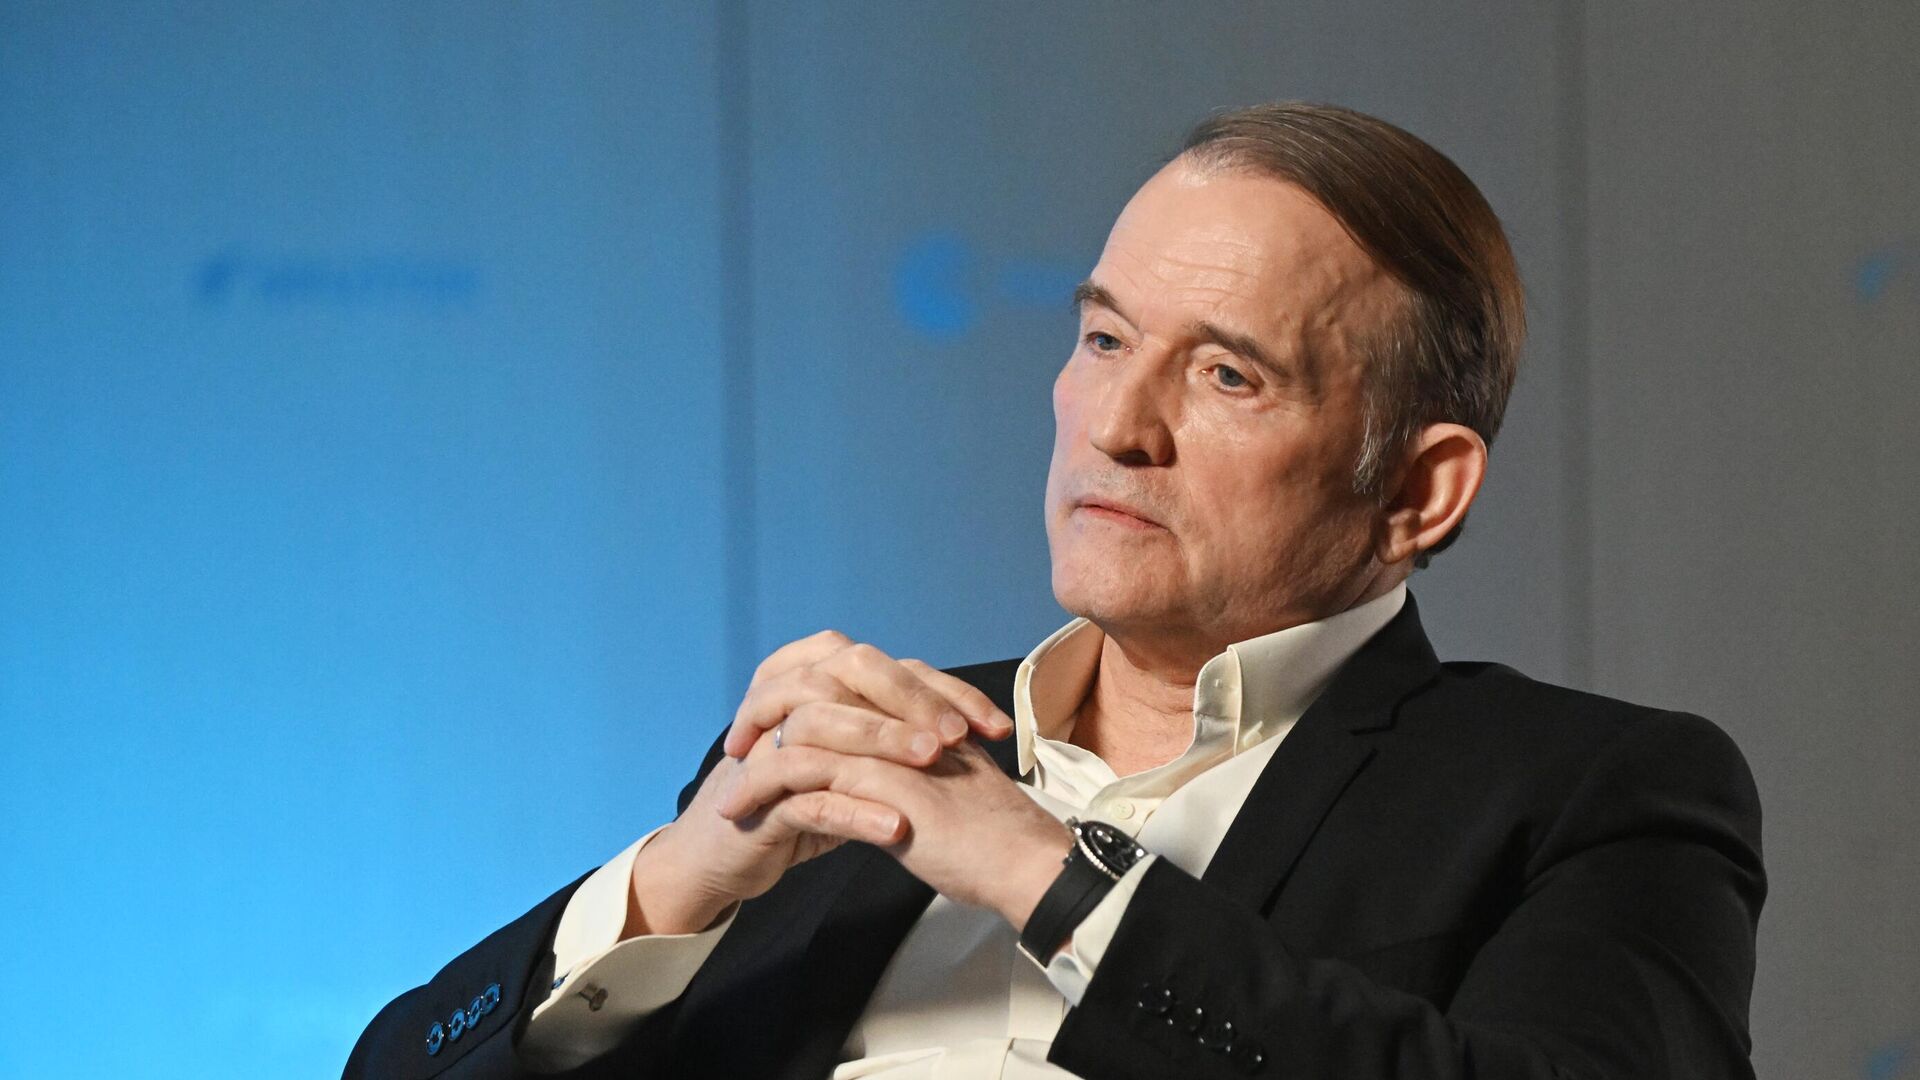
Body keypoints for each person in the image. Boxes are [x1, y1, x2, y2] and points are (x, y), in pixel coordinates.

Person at [344, 103, 1764, 1080]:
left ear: (1419, 488)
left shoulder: (1588, 793)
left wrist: (1049, 876)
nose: (1118, 426)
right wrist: (670, 889)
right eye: (1103, 339)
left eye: (1228, 375)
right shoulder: (866, 761)